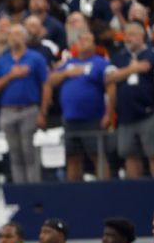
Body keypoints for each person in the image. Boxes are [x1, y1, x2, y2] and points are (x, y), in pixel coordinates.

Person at [0, 25, 50, 183]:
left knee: (29, 152)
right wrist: (10, 76)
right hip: (7, 111)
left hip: (29, 109)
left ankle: (33, 188)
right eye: (10, 35)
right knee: (14, 154)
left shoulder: (35, 58)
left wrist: (42, 112)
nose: (13, 37)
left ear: (24, 37)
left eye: (17, 34)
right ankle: (19, 189)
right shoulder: (3, 60)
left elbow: (46, 85)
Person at [44, 31, 109, 181]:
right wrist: (67, 74)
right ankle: (73, 192)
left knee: (97, 155)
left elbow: (110, 84)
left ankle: (105, 189)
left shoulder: (100, 62)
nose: (83, 42)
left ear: (94, 45)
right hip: (70, 118)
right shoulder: (69, 63)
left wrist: (108, 113)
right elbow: (50, 79)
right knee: (72, 157)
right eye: (80, 40)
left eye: (87, 39)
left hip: (93, 118)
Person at [106, 22, 154, 179]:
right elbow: (109, 78)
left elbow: (148, 67)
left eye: (132, 34)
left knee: (153, 153)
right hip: (125, 116)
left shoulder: (151, 54)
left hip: (148, 113)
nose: (128, 38)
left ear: (142, 36)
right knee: (128, 154)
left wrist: (124, 73)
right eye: (126, 35)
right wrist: (134, 69)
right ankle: (135, 194)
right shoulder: (119, 56)